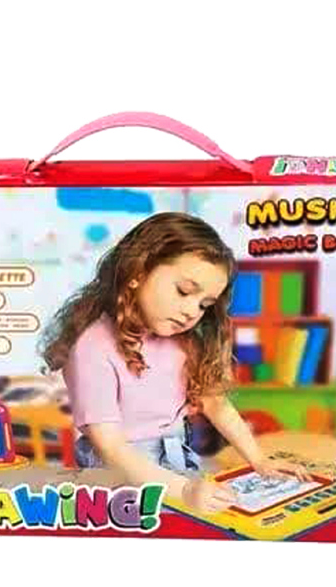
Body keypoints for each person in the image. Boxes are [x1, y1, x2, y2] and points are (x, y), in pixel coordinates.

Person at [42, 212, 308, 514]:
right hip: (118, 476)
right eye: (184, 291)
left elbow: (216, 404)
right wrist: (184, 489)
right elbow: (111, 446)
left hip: (177, 460)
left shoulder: (184, 340)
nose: (192, 311)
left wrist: (259, 460)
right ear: (137, 272)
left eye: (204, 304)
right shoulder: (91, 346)